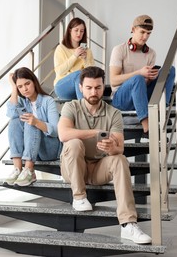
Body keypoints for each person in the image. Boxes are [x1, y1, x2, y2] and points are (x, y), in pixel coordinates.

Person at [58, 66, 152, 245]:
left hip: (97, 169)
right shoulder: (71, 106)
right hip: (72, 169)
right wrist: (94, 132)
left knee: (119, 159)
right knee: (74, 143)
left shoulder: (113, 113)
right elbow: (63, 135)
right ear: (80, 87)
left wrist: (111, 147)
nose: (94, 92)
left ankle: (128, 224)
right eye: (89, 88)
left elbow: (120, 148)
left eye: (98, 87)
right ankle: (79, 197)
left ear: (103, 87)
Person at [109, 14, 175, 136]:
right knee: (138, 78)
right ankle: (147, 127)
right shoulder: (119, 50)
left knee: (170, 69)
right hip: (121, 99)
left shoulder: (151, 53)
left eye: (148, 33)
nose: (145, 37)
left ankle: (162, 112)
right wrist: (139, 73)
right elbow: (113, 80)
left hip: (141, 94)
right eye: (142, 32)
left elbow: (144, 83)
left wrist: (150, 78)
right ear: (133, 29)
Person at [5, 67, 62, 186]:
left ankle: (29, 170)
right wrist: (13, 87)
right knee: (14, 121)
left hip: (49, 149)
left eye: (27, 84)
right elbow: (11, 113)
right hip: (31, 149)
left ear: (34, 82)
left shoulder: (48, 101)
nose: (24, 89)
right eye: (20, 86)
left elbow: (55, 131)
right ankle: (18, 169)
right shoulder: (22, 101)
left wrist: (36, 122)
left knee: (30, 121)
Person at [53, 17, 95, 100]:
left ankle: (86, 108)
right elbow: (60, 71)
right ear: (70, 31)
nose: (79, 33)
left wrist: (86, 60)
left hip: (80, 88)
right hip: (62, 86)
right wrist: (75, 56)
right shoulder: (61, 48)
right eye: (76, 30)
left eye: (82, 31)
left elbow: (92, 74)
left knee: (89, 76)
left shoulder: (87, 51)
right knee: (80, 74)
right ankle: (84, 108)